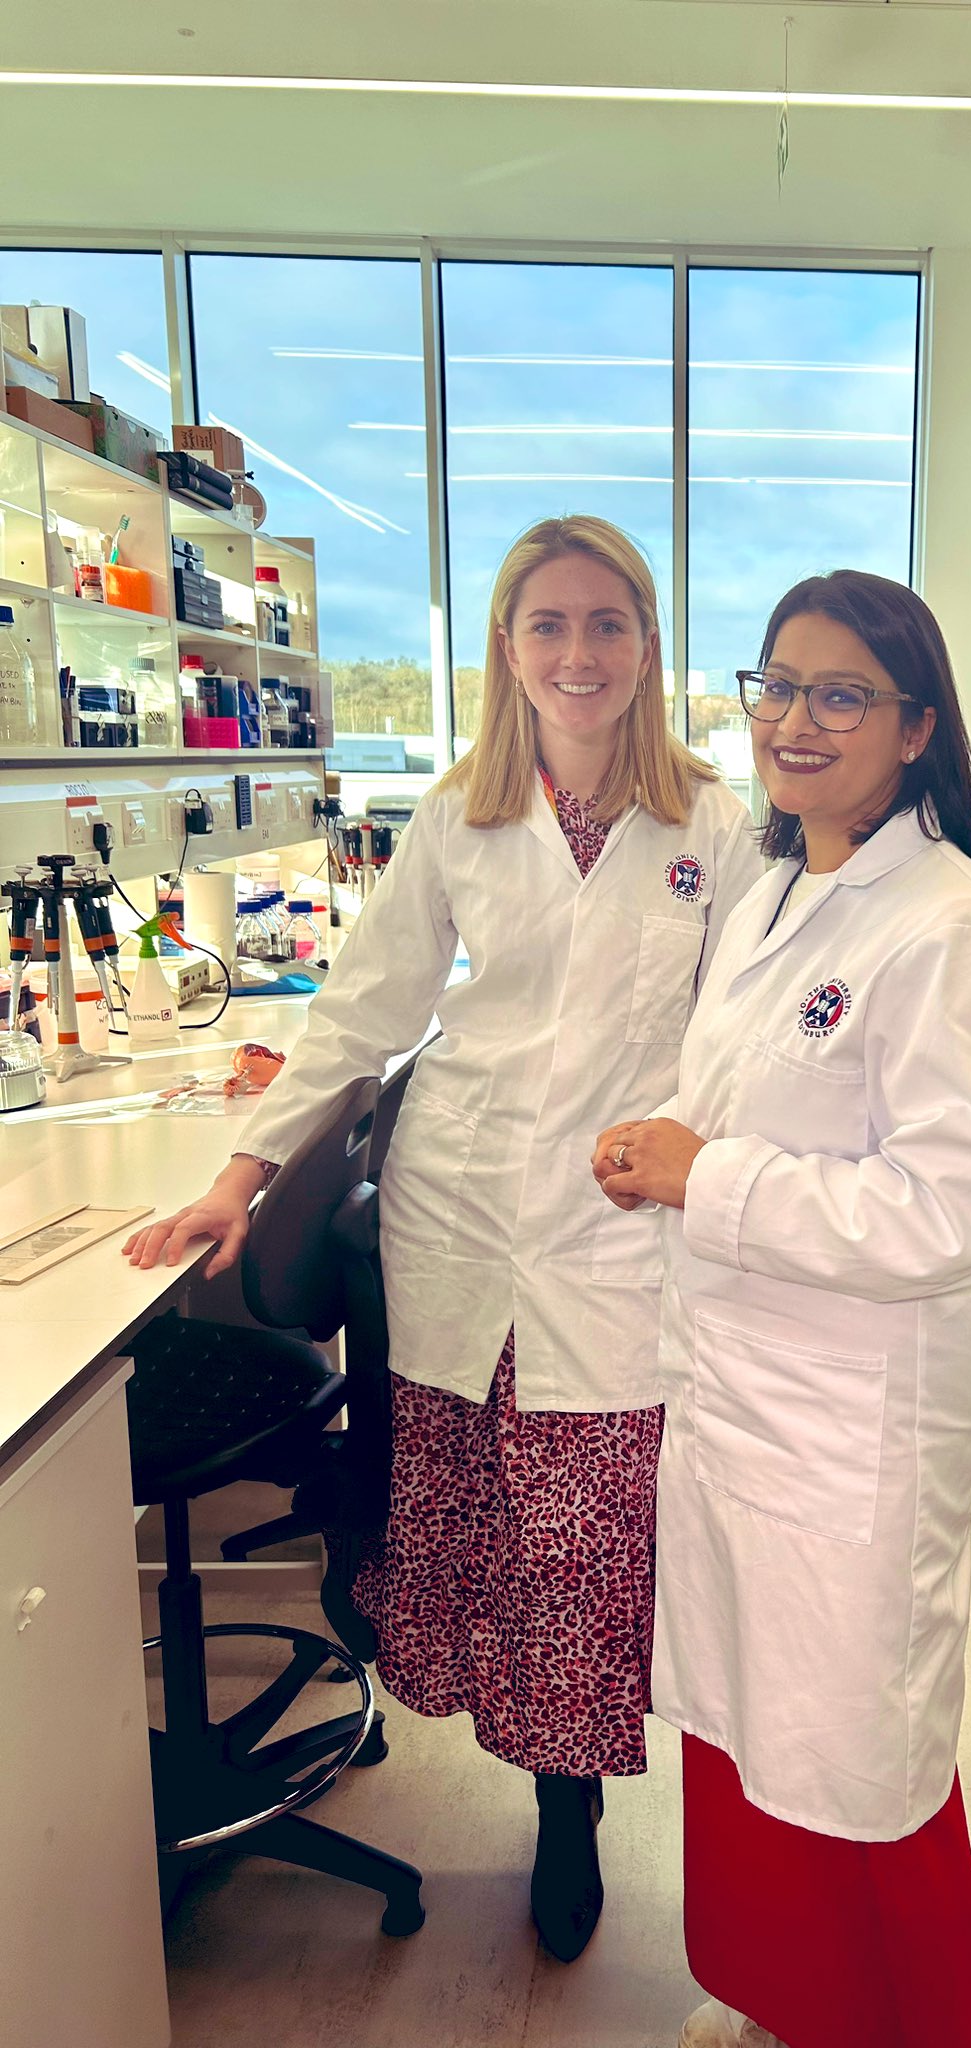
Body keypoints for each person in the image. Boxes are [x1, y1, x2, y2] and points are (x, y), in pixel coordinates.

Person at [124, 515, 761, 1963]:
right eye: (549, 624)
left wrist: (716, 1165)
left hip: (618, 1227)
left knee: (585, 1531)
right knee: (485, 1523)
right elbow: (366, 1007)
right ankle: (521, 1763)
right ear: (507, 646)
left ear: (647, 645)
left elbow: (738, 1031)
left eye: (608, 623)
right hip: (462, 1209)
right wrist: (239, 1174)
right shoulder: (457, 811)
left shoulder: (711, 822)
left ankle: (570, 1807)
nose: (580, 652)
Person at [593, 571, 971, 2048]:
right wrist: (657, 1141)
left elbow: (952, 1212)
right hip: (740, 1395)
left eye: (841, 693)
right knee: (745, 1726)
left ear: (916, 727)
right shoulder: (778, 884)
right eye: (777, 686)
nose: (796, 721)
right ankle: (774, 1993)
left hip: (855, 1423)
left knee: (859, 1754)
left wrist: (705, 1178)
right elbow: (728, 1090)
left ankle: (894, 2022)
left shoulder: (952, 931)